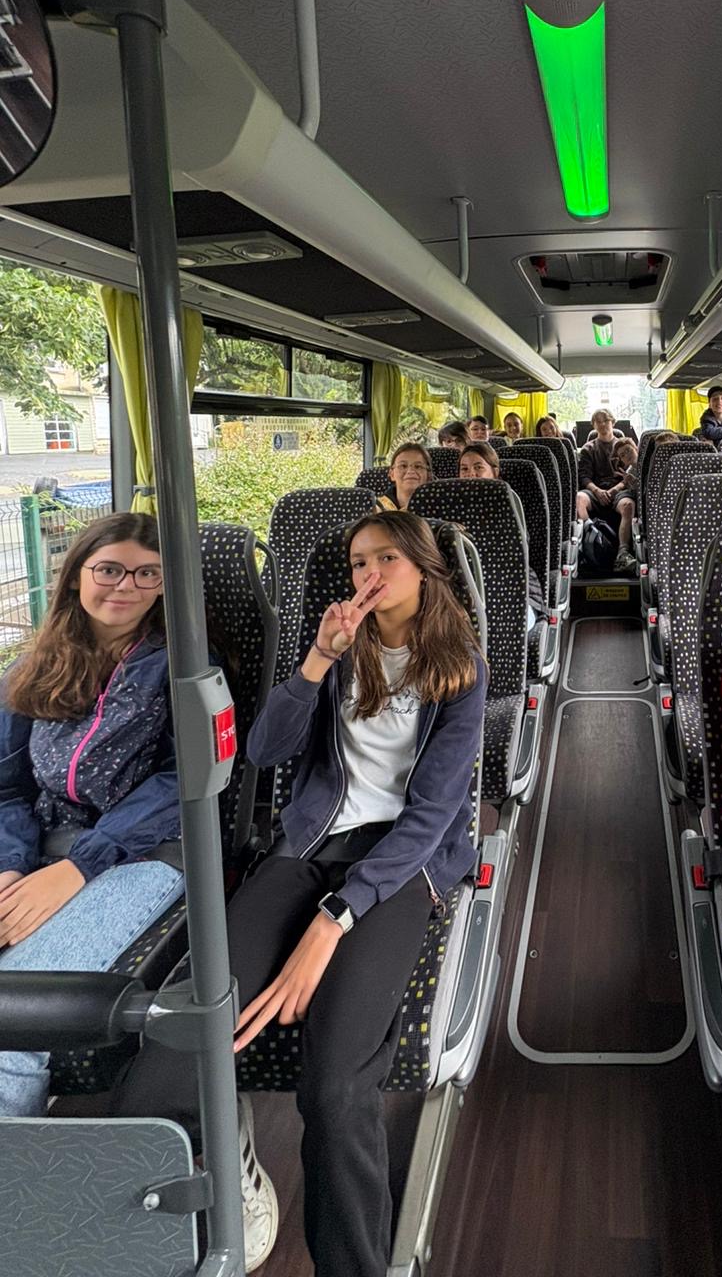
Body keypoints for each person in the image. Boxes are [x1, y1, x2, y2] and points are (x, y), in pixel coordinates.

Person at [114, 510, 486, 1277]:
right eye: (357, 562)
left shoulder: (459, 669)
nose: (369, 573)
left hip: (399, 868)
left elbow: (431, 817)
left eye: (386, 558)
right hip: (307, 846)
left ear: (423, 569)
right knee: (174, 1051)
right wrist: (318, 659)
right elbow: (263, 750)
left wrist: (336, 918)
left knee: (337, 1088)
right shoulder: (340, 651)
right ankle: (201, 1183)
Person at [0, 514, 188, 1119]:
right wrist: (10, 868)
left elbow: (180, 784)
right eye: (109, 569)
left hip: (145, 854)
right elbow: (7, 789)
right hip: (38, 846)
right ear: (77, 574)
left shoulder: (184, 668)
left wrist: (79, 867)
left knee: (13, 1009)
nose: (126, 586)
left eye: (148, 574)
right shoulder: (32, 668)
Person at [458, 443, 548, 631]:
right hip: (459, 590)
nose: (470, 473)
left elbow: (514, 557)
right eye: (464, 469)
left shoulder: (508, 503)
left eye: (478, 467)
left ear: (495, 471)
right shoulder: (446, 505)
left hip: (510, 587)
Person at [575, 408, 620, 525]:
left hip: (619, 491)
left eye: (606, 420)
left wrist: (615, 490)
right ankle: (591, 531)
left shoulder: (624, 447)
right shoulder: (587, 449)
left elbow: (630, 474)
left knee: (628, 505)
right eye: (598, 422)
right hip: (594, 491)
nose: (602, 424)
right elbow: (584, 476)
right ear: (594, 425)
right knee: (579, 499)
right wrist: (596, 491)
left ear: (613, 422)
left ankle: (625, 538)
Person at [610, 436, 639, 575]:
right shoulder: (629, 472)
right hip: (629, 496)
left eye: (628, 450)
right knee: (628, 505)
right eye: (622, 455)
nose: (627, 455)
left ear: (636, 448)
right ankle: (623, 553)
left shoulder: (652, 464)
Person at [375, 442, 432, 511]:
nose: (410, 471)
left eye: (418, 466)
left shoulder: (438, 506)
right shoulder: (375, 509)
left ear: (428, 475)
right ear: (392, 474)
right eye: (403, 466)